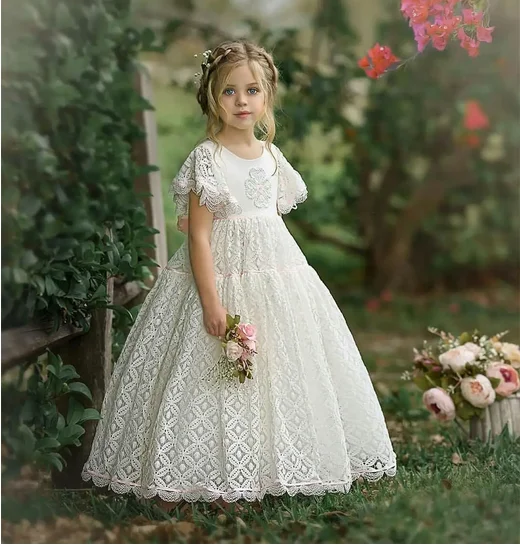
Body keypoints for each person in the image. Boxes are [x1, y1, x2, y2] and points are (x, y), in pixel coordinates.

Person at [82, 39, 397, 512]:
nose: (242, 101)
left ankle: (276, 463)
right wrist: (211, 302)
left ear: (268, 94)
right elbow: (200, 238)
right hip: (220, 276)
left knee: (279, 369)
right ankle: (202, 472)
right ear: (212, 97)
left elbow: (269, 222)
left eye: (252, 90)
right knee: (212, 375)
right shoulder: (206, 158)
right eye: (229, 92)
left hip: (276, 275)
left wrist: (285, 281)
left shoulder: (272, 158)